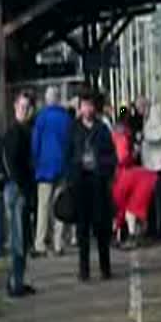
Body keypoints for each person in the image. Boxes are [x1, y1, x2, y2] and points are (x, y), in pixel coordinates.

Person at [67, 87, 117, 280]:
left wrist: (102, 166)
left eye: (90, 106)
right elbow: (68, 154)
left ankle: (106, 268)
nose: (87, 110)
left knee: (102, 228)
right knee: (82, 231)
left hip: (99, 183)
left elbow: (111, 156)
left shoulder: (103, 129)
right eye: (84, 106)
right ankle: (84, 269)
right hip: (81, 184)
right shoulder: (73, 129)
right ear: (80, 108)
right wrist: (72, 175)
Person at [0, 92, 35, 297]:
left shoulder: (24, 131)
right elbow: (12, 163)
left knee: (20, 237)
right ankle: (15, 283)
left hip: (20, 187)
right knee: (17, 237)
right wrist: (20, 184)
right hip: (15, 189)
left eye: (27, 107)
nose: (25, 111)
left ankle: (18, 280)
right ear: (15, 107)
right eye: (21, 107)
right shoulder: (15, 133)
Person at [32, 86, 72, 256]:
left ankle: (40, 243)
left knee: (43, 206)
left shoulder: (41, 118)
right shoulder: (66, 118)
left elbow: (35, 143)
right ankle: (58, 243)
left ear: (47, 100)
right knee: (59, 205)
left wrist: (35, 161)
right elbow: (70, 142)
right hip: (62, 166)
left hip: (44, 167)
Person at [112, 106, 157, 248]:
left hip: (124, 174)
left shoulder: (116, 132)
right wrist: (133, 154)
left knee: (124, 206)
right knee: (128, 207)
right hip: (129, 173)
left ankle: (123, 235)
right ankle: (130, 234)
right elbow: (124, 156)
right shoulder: (126, 133)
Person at [143, 101, 161, 240]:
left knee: (159, 200)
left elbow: (157, 135)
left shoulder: (156, 117)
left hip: (158, 166)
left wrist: (143, 135)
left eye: (142, 107)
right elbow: (122, 114)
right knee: (150, 200)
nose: (140, 110)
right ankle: (152, 228)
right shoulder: (139, 116)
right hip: (149, 165)